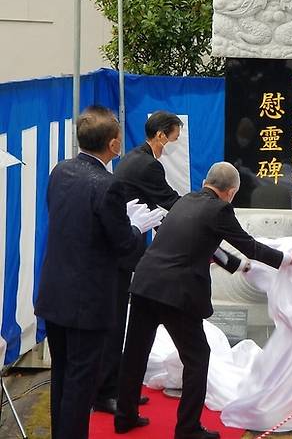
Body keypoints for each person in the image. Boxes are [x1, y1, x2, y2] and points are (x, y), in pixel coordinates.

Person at [114, 162, 292, 439]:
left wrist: (239, 267)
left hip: (144, 284)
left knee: (136, 352)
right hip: (176, 293)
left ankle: (124, 416)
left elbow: (206, 243)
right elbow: (250, 246)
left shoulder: (186, 201)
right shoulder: (220, 209)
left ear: (206, 182)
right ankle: (188, 429)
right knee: (198, 358)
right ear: (231, 192)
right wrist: (286, 260)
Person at [34, 106, 163, 439]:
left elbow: (76, 226)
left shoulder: (60, 171)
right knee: (81, 383)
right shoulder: (108, 185)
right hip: (87, 300)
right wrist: (137, 227)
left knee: (62, 375)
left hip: (54, 291)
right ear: (114, 144)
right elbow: (124, 246)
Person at [93, 110, 184, 415]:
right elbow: (170, 200)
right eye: (175, 133)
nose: (177, 138)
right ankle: (106, 393)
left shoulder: (137, 157)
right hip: (123, 251)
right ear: (161, 135)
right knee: (117, 322)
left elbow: (153, 204)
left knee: (122, 320)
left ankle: (118, 388)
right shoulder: (147, 165)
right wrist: (205, 211)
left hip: (126, 245)